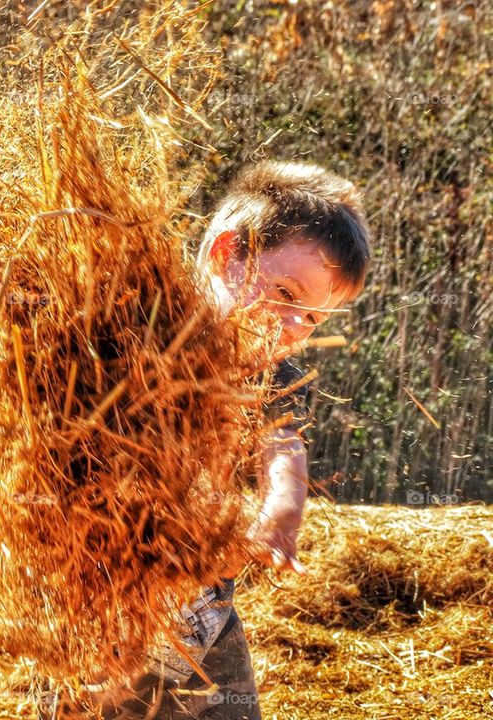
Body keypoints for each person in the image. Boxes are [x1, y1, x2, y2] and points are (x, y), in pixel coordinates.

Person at [85, 160, 372, 720]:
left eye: (313, 318)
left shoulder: (272, 371)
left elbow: (283, 446)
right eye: (286, 293)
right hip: (106, 613)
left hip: (206, 614)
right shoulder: (145, 329)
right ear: (225, 254)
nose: (294, 327)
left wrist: (282, 510)